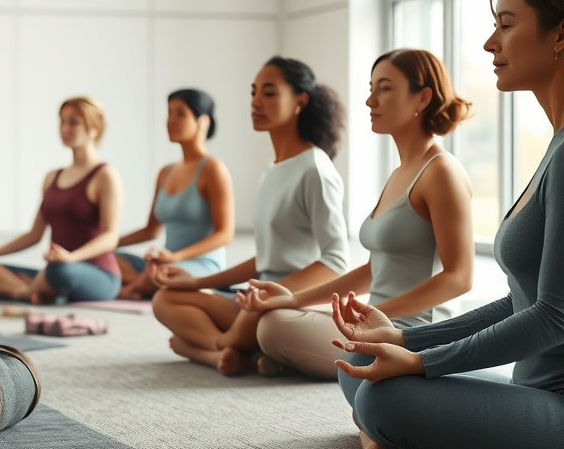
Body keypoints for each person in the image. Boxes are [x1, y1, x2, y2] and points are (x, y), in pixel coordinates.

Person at [330, 0, 564, 449]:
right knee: (364, 369)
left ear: (560, 35)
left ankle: (382, 433)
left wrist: (419, 361)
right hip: (531, 392)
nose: (489, 42)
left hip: (557, 409)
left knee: (381, 401)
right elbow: (517, 301)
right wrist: (400, 339)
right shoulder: (555, 148)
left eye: (506, 24)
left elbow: (554, 317)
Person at [236, 49, 474, 381]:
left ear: (422, 97)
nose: (369, 101)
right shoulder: (401, 173)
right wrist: (293, 298)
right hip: (376, 320)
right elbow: (375, 269)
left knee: (272, 328)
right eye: (371, 88)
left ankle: (290, 358)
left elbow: (459, 277)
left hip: (411, 332)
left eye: (384, 88)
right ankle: (290, 357)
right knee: (278, 315)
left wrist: (371, 316)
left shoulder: (441, 172)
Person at [150, 56, 350, 375]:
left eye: (269, 93)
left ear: (300, 101)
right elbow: (266, 259)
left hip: (289, 305)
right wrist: (197, 281)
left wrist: (276, 294)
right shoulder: (272, 171)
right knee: (166, 298)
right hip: (257, 300)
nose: (256, 101)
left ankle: (209, 349)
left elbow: (336, 262)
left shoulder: (315, 168)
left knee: (255, 323)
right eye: (254, 92)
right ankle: (230, 349)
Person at [0, 97, 124, 303]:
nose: (64, 128)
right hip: (54, 268)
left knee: (59, 272)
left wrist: (71, 258)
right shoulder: (52, 177)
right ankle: (30, 292)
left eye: (73, 122)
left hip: (97, 274)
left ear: (95, 128)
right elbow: (34, 234)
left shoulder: (105, 175)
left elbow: (111, 237)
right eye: (62, 121)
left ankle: (26, 291)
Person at [114, 89, 235, 300]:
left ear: (203, 121)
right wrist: (104, 244)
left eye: (180, 114)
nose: (170, 121)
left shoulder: (213, 169)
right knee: (108, 258)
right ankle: (140, 285)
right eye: (169, 113)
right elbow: (151, 231)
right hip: (165, 261)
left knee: (163, 274)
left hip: (200, 265)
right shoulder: (165, 172)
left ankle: (132, 288)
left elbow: (225, 234)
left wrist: (174, 257)